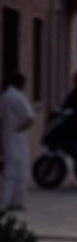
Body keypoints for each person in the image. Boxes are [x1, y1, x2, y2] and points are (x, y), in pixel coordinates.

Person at [0, 73, 35, 209]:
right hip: (17, 137)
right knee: (19, 170)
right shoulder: (18, 97)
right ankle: (15, 201)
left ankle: (7, 200)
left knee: (10, 169)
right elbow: (29, 118)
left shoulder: (5, 96)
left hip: (8, 135)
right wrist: (19, 130)